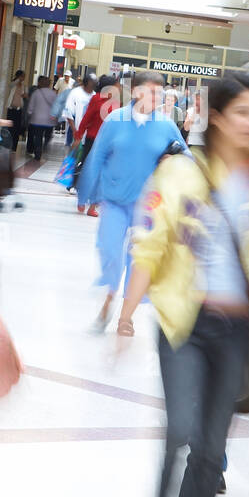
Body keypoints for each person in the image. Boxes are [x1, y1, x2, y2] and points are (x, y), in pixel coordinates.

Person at [116, 72, 249, 497]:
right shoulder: (180, 172)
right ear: (219, 118)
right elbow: (150, 245)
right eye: (243, 112)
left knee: (209, 447)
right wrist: (125, 315)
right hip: (184, 322)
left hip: (237, 329)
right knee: (181, 427)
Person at [77, 71, 184, 330]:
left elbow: (187, 158)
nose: (157, 97)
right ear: (136, 92)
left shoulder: (166, 125)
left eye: (160, 92)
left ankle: (126, 317)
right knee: (111, 252)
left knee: (139, 261)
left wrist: (173, 159)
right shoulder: (114, 120)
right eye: (151, 91)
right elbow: (97, 156)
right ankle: (108, 300)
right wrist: (85, 193)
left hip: (147, 208)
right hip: (114, 202)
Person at [72, 75, 121, 215]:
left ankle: (93, 206)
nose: (119, 88)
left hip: (110, 143)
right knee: (89, 171)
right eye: (116, 85)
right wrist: (78, 135)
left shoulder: (116, 101)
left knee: (103, 175)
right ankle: (81, 200)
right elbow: (86, 118)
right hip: (93, 140)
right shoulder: (97, 99)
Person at [26, 75, 58, 160]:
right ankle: (45, 146)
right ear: (48, 84)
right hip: (49, 121)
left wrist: (29, 113)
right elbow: (56, 107)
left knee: (38, 137)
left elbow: (30, 107)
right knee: (48, 136)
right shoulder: (53, 94)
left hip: (37, 120)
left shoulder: (36, 93)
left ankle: (38, 153)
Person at [63, 75, 95, 151]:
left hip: (89, 136)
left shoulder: (94, 94)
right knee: (76, 156)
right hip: (78, 132)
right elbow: (68, 112)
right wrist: (74, 130)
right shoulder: (75, 92)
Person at [6, 70, 27, 152]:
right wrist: (17, 79)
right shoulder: (13, 84)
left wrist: (25, 95)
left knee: (17, 129)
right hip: (11, 109)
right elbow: (12, 84)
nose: (23, 78)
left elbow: (26, 95)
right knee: (10, 128)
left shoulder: (24, 86)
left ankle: (14, 147)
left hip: (19, 110)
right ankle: (9, 145)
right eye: (22, 76)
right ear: (18, 76)